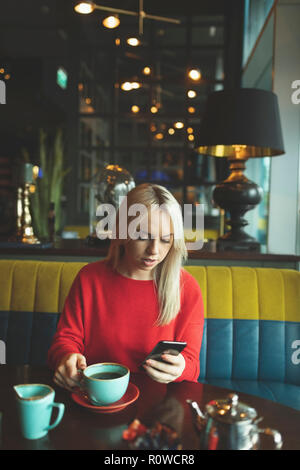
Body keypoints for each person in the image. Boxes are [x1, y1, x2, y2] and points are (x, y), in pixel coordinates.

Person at [48, 183, 204, 390]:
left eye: (166, 240)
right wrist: (66, 357)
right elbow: (65, 340)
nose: (154, 251)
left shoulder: (187, 288)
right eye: (142, 236)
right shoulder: (90, 278)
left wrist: (181, 368)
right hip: (96, 395)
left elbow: (192, 365)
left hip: (156, 405)